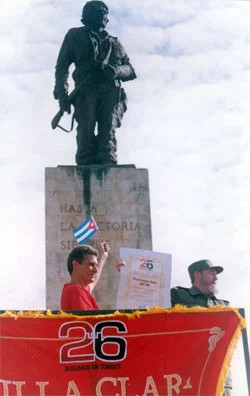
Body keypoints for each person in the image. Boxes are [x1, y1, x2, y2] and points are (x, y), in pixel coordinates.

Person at [53, 0, 136, 165]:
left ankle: (107, 161)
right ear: (87, 15)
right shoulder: (74, 36)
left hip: (111, 92)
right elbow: (62, 67)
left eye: (105, 13)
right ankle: (85, 166)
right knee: (86, 132)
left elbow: (131, 70)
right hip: (86, 91)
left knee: (108, 133)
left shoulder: (114, 42)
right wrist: (62, 94)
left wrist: (116, 71)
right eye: (100, 12)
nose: (104, 16)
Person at [171, 259, 232, 396]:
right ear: (197, 275)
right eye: (211, 273)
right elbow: (149, 300)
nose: (216, 278)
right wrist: (128, 273)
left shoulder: (225, 306)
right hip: (190, 376)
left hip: (220, 377)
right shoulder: (177, 296)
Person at [61, 240, 110, 310]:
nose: (96, 270)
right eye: (91, 264)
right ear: (75, 265)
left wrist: (102, 257)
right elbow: (91, 320)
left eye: (96, 265)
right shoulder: (76, 291)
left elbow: (93, 283)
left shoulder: (75, 291)